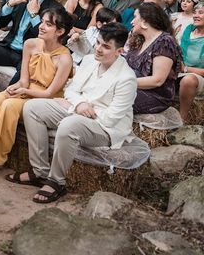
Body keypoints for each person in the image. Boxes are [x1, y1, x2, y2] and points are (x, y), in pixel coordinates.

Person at [9, 23, 136, 203]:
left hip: (105, 128)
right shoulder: (90, 60)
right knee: (32, 108)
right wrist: (79, 104)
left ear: (120, 51)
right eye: (98, 43)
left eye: (106, 47)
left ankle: (56, 182)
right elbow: (71, 90)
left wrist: (76, 108)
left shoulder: (127, 78)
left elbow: (111, 118)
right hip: (77, 109)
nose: (98, 49)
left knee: (69, 125)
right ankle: (40, 172)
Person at [0, 7, 73, 176]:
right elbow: (24, 79)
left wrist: (24, 90)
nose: (42, 26)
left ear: (60, 31)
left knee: (9, 106)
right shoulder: (30, 44)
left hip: (43, 100)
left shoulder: (65, 58)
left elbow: (50, 94)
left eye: (48, 24)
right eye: (42, 22)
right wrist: (16, 87)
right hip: (26, 88)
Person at [0, 0, 63, 80]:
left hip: (30, 55)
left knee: (26, 72)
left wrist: (34, 15)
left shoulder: (55, 9)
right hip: (7, 47)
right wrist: (9, 4)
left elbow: (47, 39)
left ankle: (6, 96)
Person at [126, 3, 182, 114]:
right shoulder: (139, 39)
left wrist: (122, 83)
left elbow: (157, 80)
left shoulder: (164, 41)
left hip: (155, 96)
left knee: (114, 97)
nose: (132, 22)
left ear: (145, 21)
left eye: (135, 17)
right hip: (134, 87)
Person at [177, 4, 204, 121]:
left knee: (188, 80)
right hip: (180, 70)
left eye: (201, 13)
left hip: (198, 76)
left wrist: (186, 69)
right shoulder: (188, 29)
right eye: (195, 12)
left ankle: (182, 120)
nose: (196, 16)